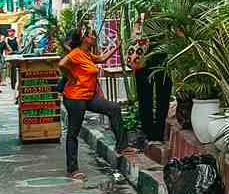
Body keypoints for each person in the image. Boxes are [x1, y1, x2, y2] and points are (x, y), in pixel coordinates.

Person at [59, 26, 126, 181]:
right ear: (83, 38)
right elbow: (62, 64)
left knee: (114, 108)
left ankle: (122, 147)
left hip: (88, 96)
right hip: (75, 98)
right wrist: (71, 77)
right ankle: (72, 169)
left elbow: (102, 59)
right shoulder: (75, 53)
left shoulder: (86, 54)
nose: (94, 38)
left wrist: (116, 47)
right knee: (73, 133)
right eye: (91, 36)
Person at [128, 12, 171, 146]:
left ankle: (156, 134)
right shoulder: (142, 18)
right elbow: (134, 38)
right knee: (146, 98)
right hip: (145, 61)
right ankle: (151, 133)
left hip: (160, 60)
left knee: (160, 98)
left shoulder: (165, 14)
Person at [4, 27, 21, 91]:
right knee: (11, 68)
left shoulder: (17, 39)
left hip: (16, 54)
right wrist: (6, 55)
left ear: (14, 32)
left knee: (16, 68)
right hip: (9, 54)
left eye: (11, 32)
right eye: (9, 32)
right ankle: (12, 83)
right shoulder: (6, 39)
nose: (10, 33)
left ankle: (16, 81)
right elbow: (6, 47)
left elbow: (19, 47)